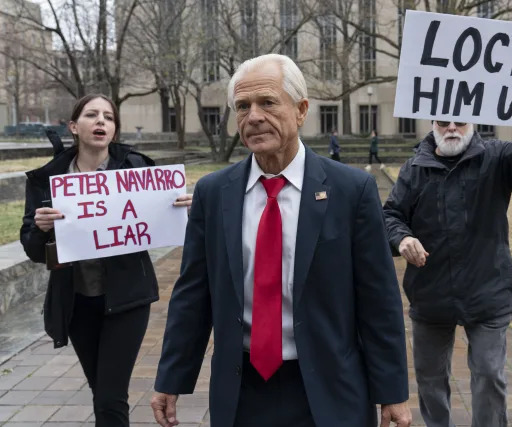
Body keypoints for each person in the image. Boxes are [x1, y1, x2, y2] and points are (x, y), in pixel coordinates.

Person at [151, 54, 411, 427]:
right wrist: (171, 378)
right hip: (242, 392)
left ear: (301, 110)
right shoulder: (213, 193)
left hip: (330, 390)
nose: (253, 116)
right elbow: (193, 293)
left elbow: (379, 300)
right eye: (242, 107)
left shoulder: (351, 191)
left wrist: (392, 391)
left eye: (267, 102)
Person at [383, 71, 512, 427]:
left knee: (489, 378)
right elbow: (390, 215)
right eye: (443, 121)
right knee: (432, 382)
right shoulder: (414, 169)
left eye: (460, 121)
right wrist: (402, 239)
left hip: (487, 294)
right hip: (431, 295)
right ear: (433, 124)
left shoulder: (497, 159)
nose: (452, 128)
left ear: (473, 122)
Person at [20, 94, 192, 427]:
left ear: (114, 129)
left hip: (127, 299)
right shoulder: (47, 180)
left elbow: (158, 217)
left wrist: (178, 206)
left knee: (110, 397)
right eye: (92, 115)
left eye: (108, 117)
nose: (101, 122)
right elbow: (31, 249)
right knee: (103, 393)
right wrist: (41, 229)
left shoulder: (135, 167)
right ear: (73, 126)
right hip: (77, 302)